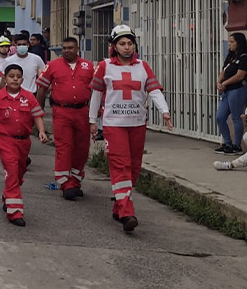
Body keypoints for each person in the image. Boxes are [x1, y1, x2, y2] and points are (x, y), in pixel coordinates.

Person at [89, 25, 172, 232]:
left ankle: (119, 206)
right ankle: (127, 213)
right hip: (113, 124)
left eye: (130, 43)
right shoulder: (105, 66)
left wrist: (165, 111)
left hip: (137, 124)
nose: (127, 47)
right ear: (114, 46)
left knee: (134, 167)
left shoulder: (142, 66)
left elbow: (154, 91)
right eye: (122, 44)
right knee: (120, 165)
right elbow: (96, 95)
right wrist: (92, 120)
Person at [0, 64, 48, 226]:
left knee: (18, 173)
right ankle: (15, 211)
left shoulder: (29, 97)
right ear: (5, 78)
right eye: (11, 76)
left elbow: (37, 116)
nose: (15, 79)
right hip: (5, 141)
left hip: (24, 142)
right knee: (12, 172)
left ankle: (8, 194)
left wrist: (41, 131)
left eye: (18, 76)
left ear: (23, 79)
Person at [35, 37, 95, 200]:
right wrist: (38, 111)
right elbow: (42, 88)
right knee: (64, 147)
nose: (67, 50)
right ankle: (65, 183)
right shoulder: (53, 66)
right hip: (62, 112)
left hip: (83, 111)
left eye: (70, 48)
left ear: (77, 49)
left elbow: (97, 90)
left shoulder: (88, 66)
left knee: (82, 148)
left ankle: (75, 180)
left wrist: (97, 114)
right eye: (64, 48)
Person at [216, 33, 247, 155]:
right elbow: (223, 71)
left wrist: (225, 83)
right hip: (226, 91)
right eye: (229, 42)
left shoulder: (244, 57)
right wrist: (219, 82)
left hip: (237, 89)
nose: (230, 44)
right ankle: (227, 142)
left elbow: (240, 75)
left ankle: (236, 145)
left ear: (239, 43)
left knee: (236, 117)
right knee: (220, 116)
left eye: (232, 42)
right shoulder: (231, 57)